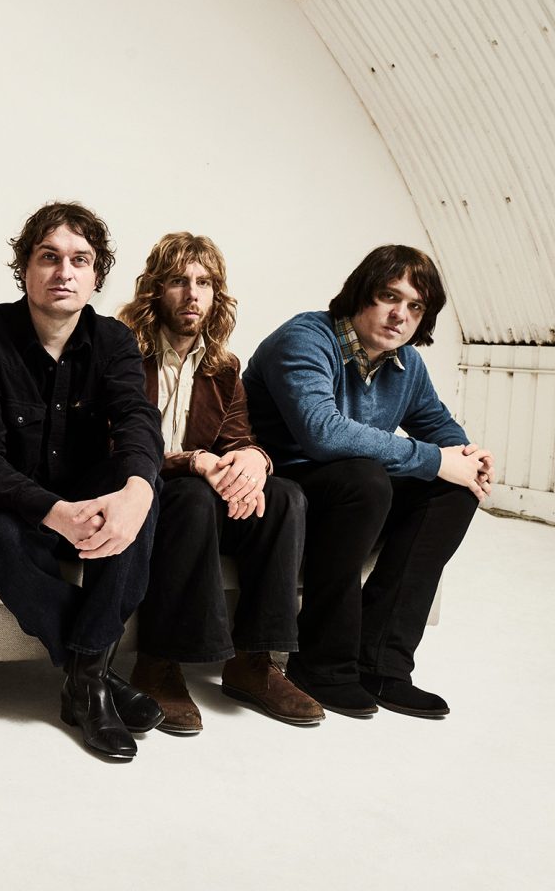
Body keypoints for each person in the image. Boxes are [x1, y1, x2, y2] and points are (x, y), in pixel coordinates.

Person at [242, 245, 493, 718]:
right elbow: (322, 433)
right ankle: (321, 665)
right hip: (286, 491)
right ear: (361, 293)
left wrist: (469, 457)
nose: (400, 316)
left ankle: (380, 663)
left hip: (356, 490)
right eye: (388, 297)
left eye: (416, 307)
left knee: (452, 488)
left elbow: (438, 427)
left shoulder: (405, 364)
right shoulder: (305, 338)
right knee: (365, 480)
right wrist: (435, 459)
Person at [0, 202, 165, 760]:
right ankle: (95, 676)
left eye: (80, 260)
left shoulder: (115, 342)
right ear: (24, 267)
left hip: (86, 500)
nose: (63, 272)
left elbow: (138, 420)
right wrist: (53, 512)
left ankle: (86, 680)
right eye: (48, 257)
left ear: (96, 276)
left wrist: (138, 490)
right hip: (13, 506)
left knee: (139, 491)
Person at [117, 233, 322, 733]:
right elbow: (114, 444)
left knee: (285, 497)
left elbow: (238, 437)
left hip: (203, 499)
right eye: (179, 281)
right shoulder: (121, 349)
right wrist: (195, 462)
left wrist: (253, 461)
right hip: (140, 494)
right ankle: (160, 663)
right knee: (189, 493)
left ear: (216, 293)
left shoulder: (223, 367)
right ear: (155, 290)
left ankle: (253, 662)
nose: (192, 294)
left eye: (204, 283)